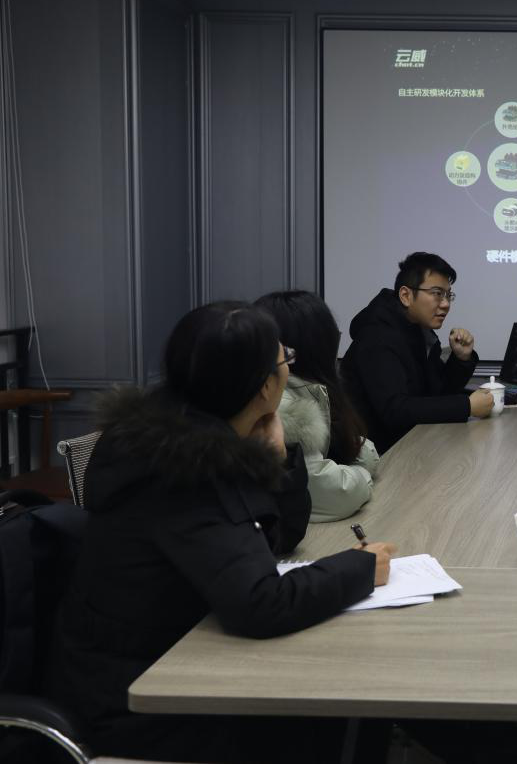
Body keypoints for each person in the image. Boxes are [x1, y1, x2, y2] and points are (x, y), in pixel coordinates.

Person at [43, 302, 397, 762]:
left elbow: (277, 539)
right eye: (285, 358)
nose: (290, 365)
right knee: (344, 707)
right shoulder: (184, 470)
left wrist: (277, 459)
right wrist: (360, 567)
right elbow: (261, 604)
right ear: (264, 385)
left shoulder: (188, 434)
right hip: (141, 702)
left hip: (162, 660)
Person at [341, 251, 493, 454]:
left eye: (448, 295)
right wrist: (466, 406)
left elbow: (436, 393)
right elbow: (395, 410)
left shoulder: (417, 330)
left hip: (413, 445)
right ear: (406, 296)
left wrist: (461, 359)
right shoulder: (377, 337)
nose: (446, 304)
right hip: (378, 458)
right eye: (437, 293)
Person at [256, 290, 380, 522]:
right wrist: (362, 474)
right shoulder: (284, 404)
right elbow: (336, 494)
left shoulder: (309, 387)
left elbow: (357, 447)